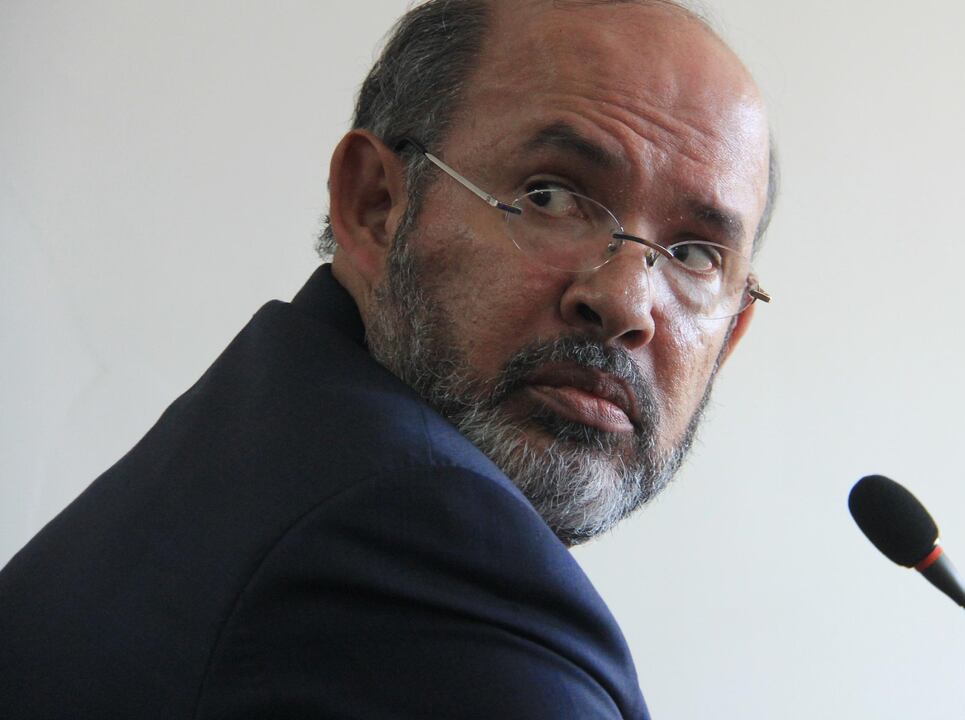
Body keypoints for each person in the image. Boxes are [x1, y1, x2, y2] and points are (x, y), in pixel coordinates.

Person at [0, 0, 777, 717]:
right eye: (551, 196)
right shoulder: (422, 541)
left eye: (694, 253)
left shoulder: (259, 445)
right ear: (374, 205)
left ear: (731, 336)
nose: (628, 304)